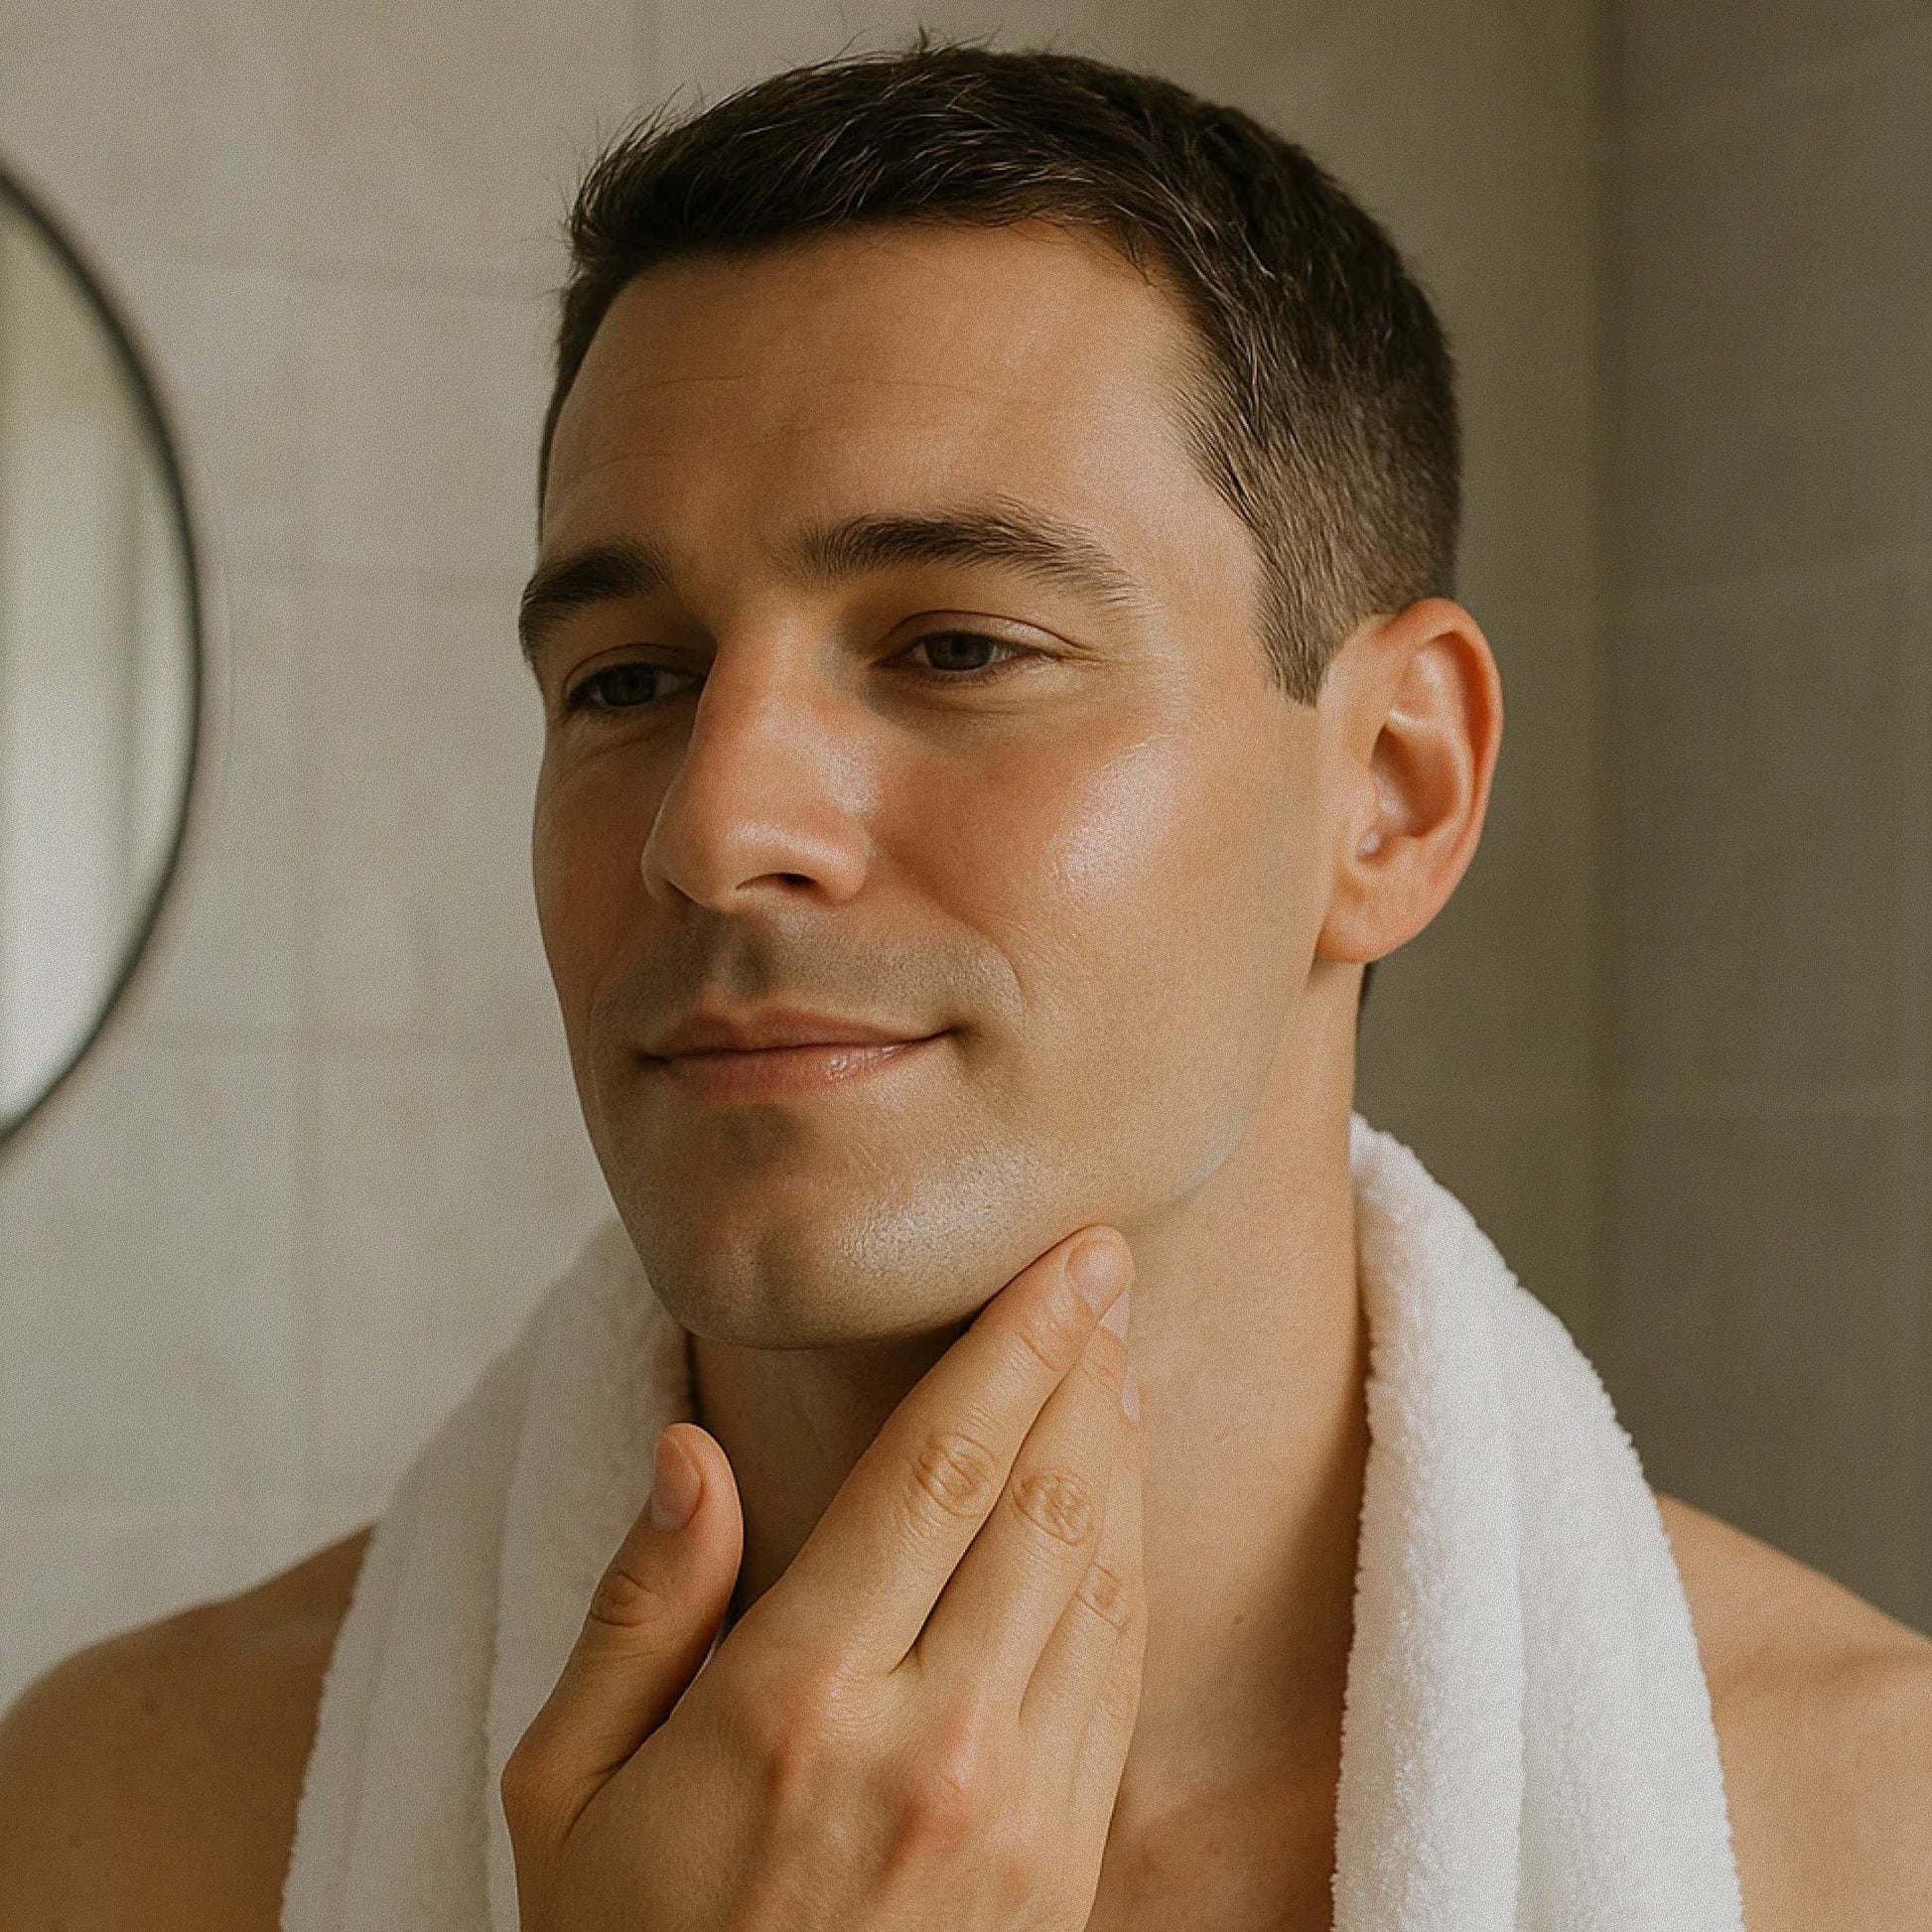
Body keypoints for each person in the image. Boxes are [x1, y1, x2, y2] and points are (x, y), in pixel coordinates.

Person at [3, 40, 1929, 1932]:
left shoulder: (1875, 1841)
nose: (710, 826)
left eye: (956, 646)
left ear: (1393, 791)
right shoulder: (110, 1831)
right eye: (626, 680)